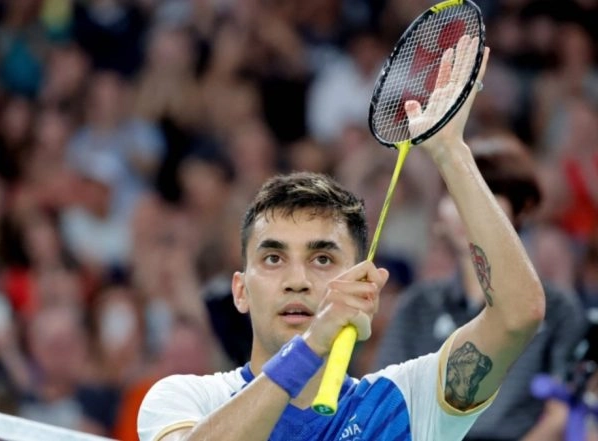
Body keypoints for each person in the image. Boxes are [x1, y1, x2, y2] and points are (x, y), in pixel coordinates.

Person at [138, 43, 546, 441]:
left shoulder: (402, 404)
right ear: (241, 291)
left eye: (321, 259)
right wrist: (312, 345)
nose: (296, 280)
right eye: (274, 258)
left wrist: (449, 152)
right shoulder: (187, 399)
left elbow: (518, 314)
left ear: (364, 286)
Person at [374, 133, 587, 441]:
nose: (465, 207)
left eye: (488, 192)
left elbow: (562, 415)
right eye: (453, 194)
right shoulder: (417, 306)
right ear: (438, 214)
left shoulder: (558, 309)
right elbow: (390, 404)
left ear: (522, 209)